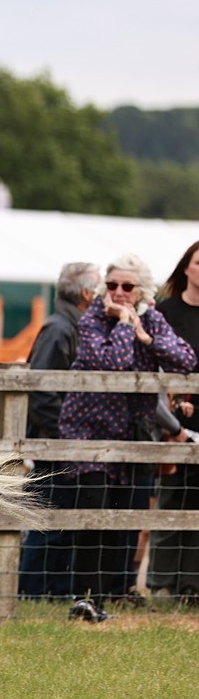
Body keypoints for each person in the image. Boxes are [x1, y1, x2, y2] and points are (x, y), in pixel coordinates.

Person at [60, 253, 195, 622]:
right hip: (88, 433)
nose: (118, 292)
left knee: (121, 520)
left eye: (127, 287)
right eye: (112, 285)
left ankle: (105, 598)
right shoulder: (92, 320)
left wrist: (145, 335)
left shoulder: (152, 317)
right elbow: (110, 363)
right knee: (93, 516)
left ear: (141, 290)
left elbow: (185, 359)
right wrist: (122, 323)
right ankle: (84, 598)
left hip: (130, 433)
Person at [18, 262, 102, 599]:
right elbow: (41, 391)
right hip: (57, 444)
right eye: (98, 288)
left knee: (62, 520)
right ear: (85, 293)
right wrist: (68, 436)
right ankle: (33, 592)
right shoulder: (59, 329)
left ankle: (55, 591)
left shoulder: (73, 326)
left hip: (64, 441)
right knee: (48, 521)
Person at [148, 241, 199, 604]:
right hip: (174, 421)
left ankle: (192, 585)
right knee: (170, 503)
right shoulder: (165, 313)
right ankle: (163, 583)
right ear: (186, 268)